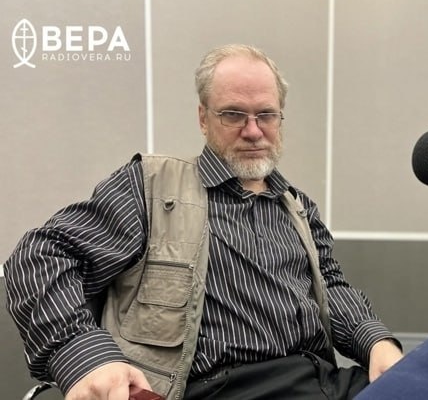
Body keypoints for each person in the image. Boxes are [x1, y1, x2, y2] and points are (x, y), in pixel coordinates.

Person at [5, 44, 403, 400]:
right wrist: (87, 358)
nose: (253, 131)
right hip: (217, 387)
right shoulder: (151, 188)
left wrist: (375, 341)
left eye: (266, 114)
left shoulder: (298, 207)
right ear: (203, 118)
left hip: (321, 381)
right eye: (233, 114)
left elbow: (330, 286)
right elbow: (39, 258)